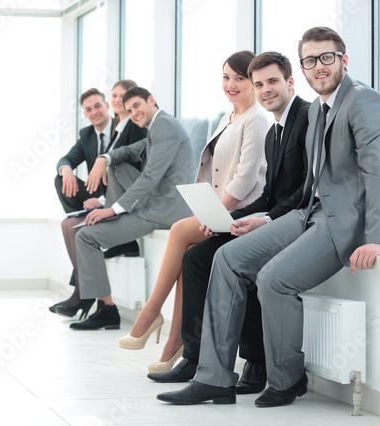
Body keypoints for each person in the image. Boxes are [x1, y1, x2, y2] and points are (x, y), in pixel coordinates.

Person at [156, 26, 380, 407]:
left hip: (346, 221)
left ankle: (287, 379)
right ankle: (214, 379)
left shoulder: (365, 103)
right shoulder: (322, 110)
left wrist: (379, 236)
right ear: (304, 69)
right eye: (311, 60)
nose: (319, 66)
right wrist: (270, 219)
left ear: (343, 59)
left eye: (327, 57)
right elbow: (310, 186)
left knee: (273, 279)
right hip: (310, 212)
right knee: (226, 258)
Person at [147, 51, 309, 394]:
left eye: (270, 82)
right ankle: (194, 356)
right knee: (195, 258)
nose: (264, 89)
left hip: (292, 222)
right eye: (260, 83)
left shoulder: (304, 120)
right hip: (264, 216)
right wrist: (227, 218)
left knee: (223, 259)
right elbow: (269, 192)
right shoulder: (273, 131)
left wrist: (262, 219)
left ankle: (253, 360)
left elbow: (302, 194)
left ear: (290, 82)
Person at [118, 51, 271, 374]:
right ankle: (175, 342)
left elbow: (245, 179)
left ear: (253, 82)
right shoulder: (228, 117)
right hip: (221, 209)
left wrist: (214, 214)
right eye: (226, 76)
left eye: (240, 78)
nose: (231, 84)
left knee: (177, 231)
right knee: (189, 252)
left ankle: (151, 313)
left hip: (243, 212)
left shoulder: (257, 118)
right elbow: (213, 169)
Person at [67, 86, 196, 330]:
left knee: (85, 237)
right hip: (155, 205)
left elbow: (150, 177)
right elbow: (130, 151)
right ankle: (117, 231)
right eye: (129, 110)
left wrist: (111, 210)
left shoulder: (164, 126)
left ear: (151, 100)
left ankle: (107, 310)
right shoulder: (157, 126)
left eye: (137, 105)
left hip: (164, 211)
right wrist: (103, 158)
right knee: (115, 163)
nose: (134, 112)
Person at [50, 83, 147, 316]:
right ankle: (84, 291)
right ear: (84, 113)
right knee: (60, 180)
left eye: (98, 106)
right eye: (88, 109)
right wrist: (67, 170)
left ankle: (81, 293)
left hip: (118, 198)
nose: (94, 112)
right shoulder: (87, 136)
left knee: (71, 228)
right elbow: (66, 159)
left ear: (106, 106)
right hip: (98, 197)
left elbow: (128, 169)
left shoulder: (125, 128)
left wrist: (104, 202)